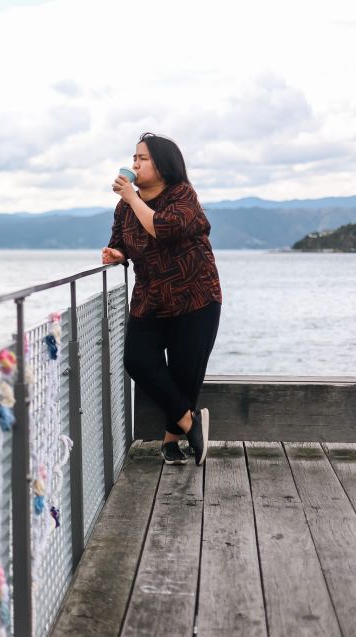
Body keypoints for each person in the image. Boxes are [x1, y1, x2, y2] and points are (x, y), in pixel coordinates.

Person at [101, 132, 222, 465]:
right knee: (137, 361)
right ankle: (190, 422)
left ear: (163, 165)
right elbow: (121, 242)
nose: (135, 163)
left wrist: (131, 198)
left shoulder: (182, 195)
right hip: (151, 300)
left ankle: (171, 442)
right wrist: (115, 253)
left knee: (184, 373)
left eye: (143, 158)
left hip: (194, 297)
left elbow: (163, 228)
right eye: (134, 157)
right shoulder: (125, 207)